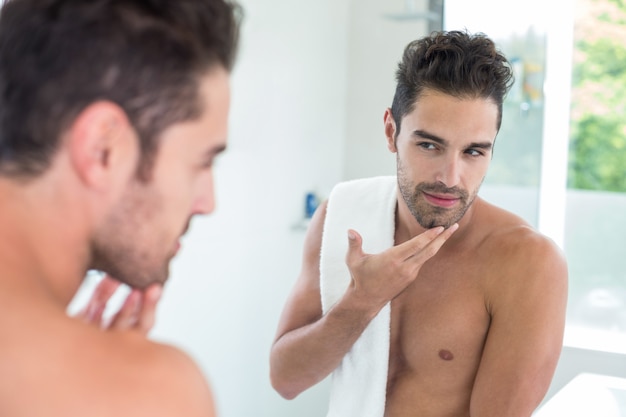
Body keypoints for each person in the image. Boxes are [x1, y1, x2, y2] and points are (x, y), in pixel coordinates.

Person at [270, 30, 568, 417]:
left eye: (473, 151)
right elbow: (286, 380)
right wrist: (362, 301)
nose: (450, 176)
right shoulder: (341, 216)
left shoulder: (527, 263)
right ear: (391, 131)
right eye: (430, 145)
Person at [0, 0, 240, 416]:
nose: (207, 203)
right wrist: (106, 377)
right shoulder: (155, 394)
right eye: (202, 161)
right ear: (103, 149)